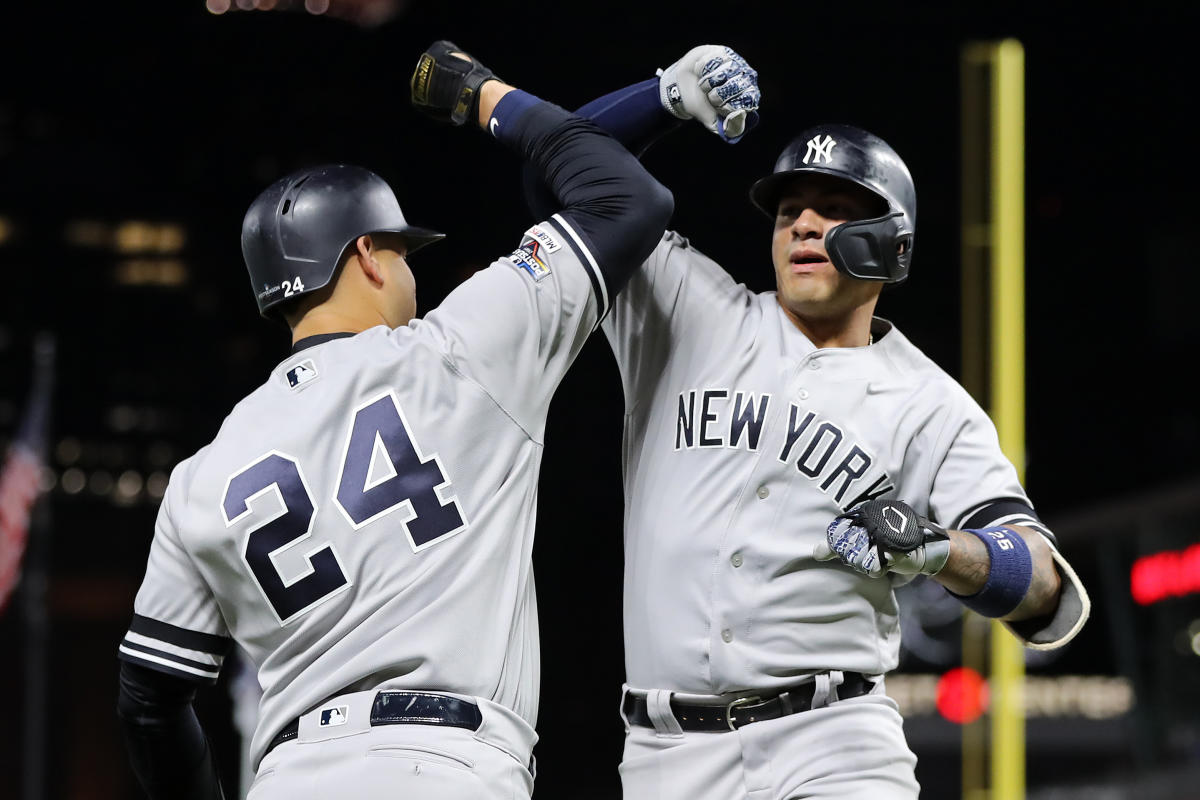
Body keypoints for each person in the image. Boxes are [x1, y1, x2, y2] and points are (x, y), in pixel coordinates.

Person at [114, 39, 684, 800]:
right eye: (403, 251)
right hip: (446, 767)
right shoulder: (457, 350)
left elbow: (150, 701)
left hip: (288, 776)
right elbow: (624, 197)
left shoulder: (200, 477)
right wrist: (479, 92)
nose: (410, 269)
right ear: (369, 257)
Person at [522, 46, 1092, 799]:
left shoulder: (929, 403)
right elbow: (560, 172)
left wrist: (933, 549)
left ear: (893, 243)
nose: (804, 226)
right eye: (791, 211)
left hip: (833, 744)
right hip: (667, 757)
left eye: (835, 211)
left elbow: (1046, 591)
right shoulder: (691, 312)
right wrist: (664, 97)